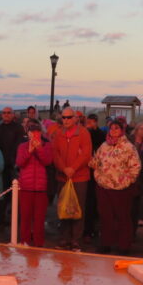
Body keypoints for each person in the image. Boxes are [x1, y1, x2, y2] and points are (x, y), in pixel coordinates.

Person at [90, 120, 141, 254]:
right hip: (103, 187)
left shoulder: (128, 147)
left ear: (122, 130)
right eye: (111, 128)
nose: (113, 131)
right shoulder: (103, 146)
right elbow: (96, 161)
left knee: (122, 217)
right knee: (105, 217)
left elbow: (135, 167)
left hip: (121, 189)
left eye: (116, 128)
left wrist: (126, 181)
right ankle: (106, 243)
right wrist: (96, 170)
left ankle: (124, 246)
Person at [51, 107, 92, 251]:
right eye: (64, 117)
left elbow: (86, 154)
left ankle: (75, 240)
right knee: (63, 208)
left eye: (69, 117)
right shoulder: (57, 134)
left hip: (79, 177)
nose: (66, 120)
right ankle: (64, 238)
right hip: (63, 177)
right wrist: (64, 169)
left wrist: (73, 168)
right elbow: (55, 154)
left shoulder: (83, 133)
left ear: (75, 118)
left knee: (78, 209)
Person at [16, 122, 53, 247]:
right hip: (26, 187)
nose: (34, 136)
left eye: (36, 133)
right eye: (31, 133)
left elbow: (47, 161)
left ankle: (38, 244)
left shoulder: (47, 145)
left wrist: (39, 149)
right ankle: (25, 242)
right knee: (25, 218)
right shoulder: (22, 146)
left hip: (41, 188)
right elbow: (20, 163)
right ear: (28, 134)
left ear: (40, 134)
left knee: (39, 219)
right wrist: (29, 151)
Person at [0, 107, 25, 230]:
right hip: (0, 166)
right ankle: (0, 220)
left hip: (13, 166)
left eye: (8, 113)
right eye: (4, 113)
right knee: (1, 196)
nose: (6, 115)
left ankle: (15, 222)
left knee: (14, 195)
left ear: (13, 115)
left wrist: (13, 161)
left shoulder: (18, 128)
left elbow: (19, 146)